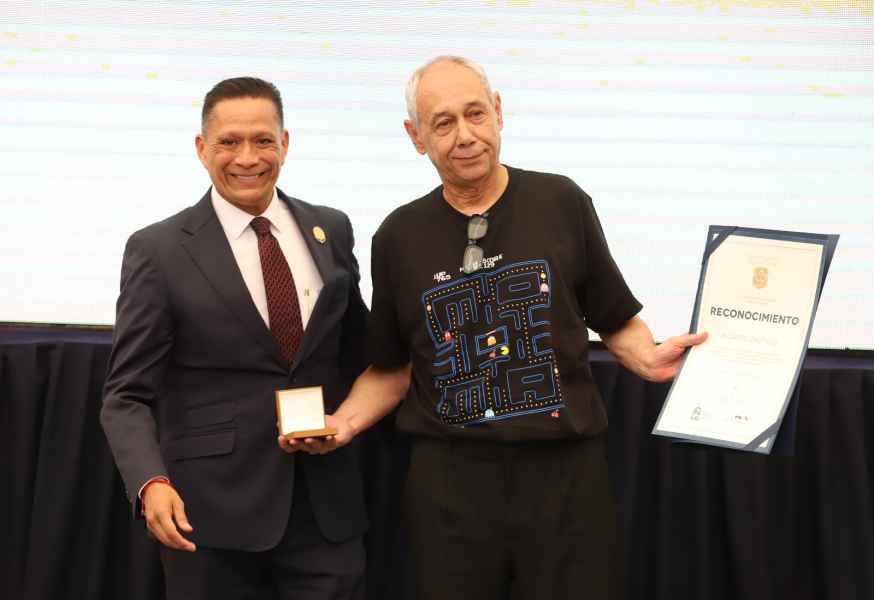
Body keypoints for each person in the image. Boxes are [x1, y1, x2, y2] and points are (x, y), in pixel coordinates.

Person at [282, 56, 707, 599]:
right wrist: (341, 423)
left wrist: (649, 358)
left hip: (565, 480)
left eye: (476, 113)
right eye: (443, 123)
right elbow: (393, 368)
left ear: (499, 112)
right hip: (449, 491)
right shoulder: (397, 237)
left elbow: (614, 318)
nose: (465, 135)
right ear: (416, 137)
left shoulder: (562, 202)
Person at [101, 77, 369, 600]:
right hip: (209, 516)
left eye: (263, 140)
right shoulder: (159, 250)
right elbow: (126, 395)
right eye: (229, 142)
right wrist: (150, 483)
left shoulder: (330, 229)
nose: (248, 157)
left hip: (327, 510)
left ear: (284, 144)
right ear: (202, 148)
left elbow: (359, 352)